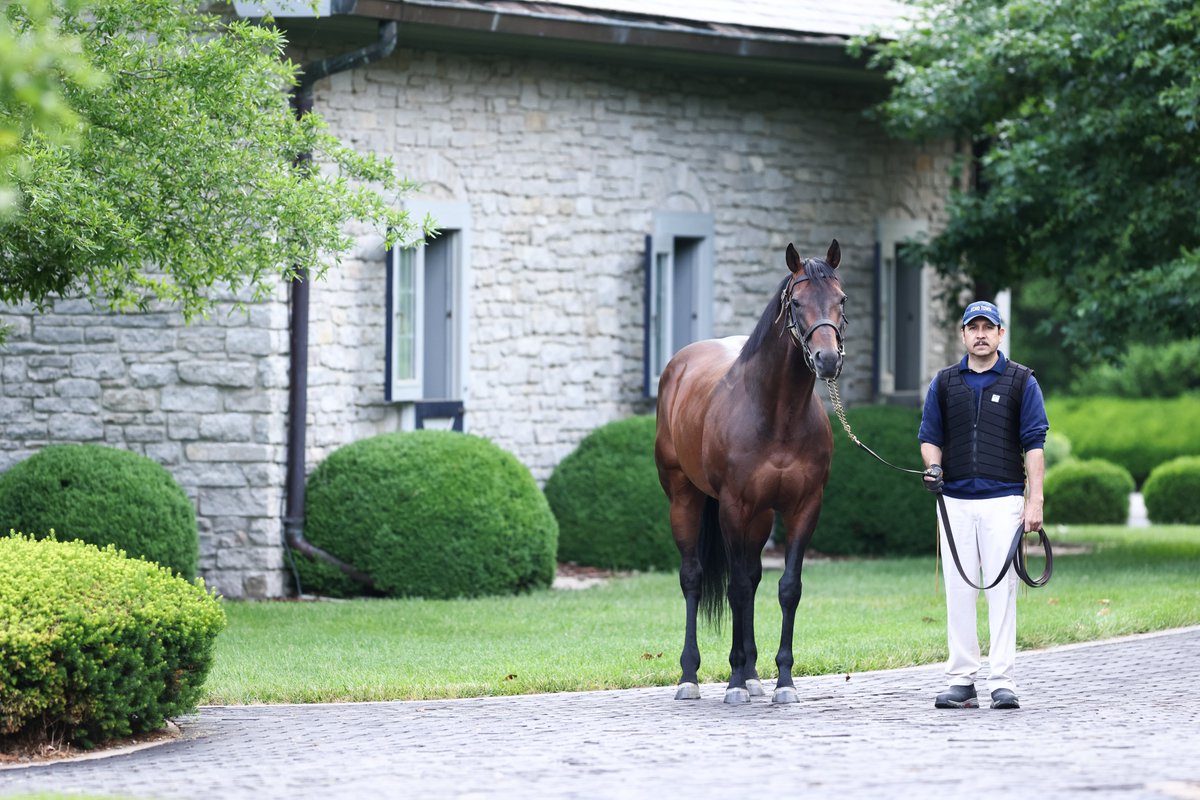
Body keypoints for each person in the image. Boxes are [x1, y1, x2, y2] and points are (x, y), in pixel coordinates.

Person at [918, 299, 1049, 710]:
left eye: (987, 328)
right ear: (962, 335)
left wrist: (1035, 501)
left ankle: (1002, 681)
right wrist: (934, 468)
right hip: (954, 501)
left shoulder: (1021, 381)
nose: (980, 334)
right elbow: (929, 438)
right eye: (972, 328)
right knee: (959, 592)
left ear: (999, 334)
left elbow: (1035, 446)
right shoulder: (943, 383)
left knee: (1002, 592)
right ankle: (961, 680)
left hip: (1004, 501)